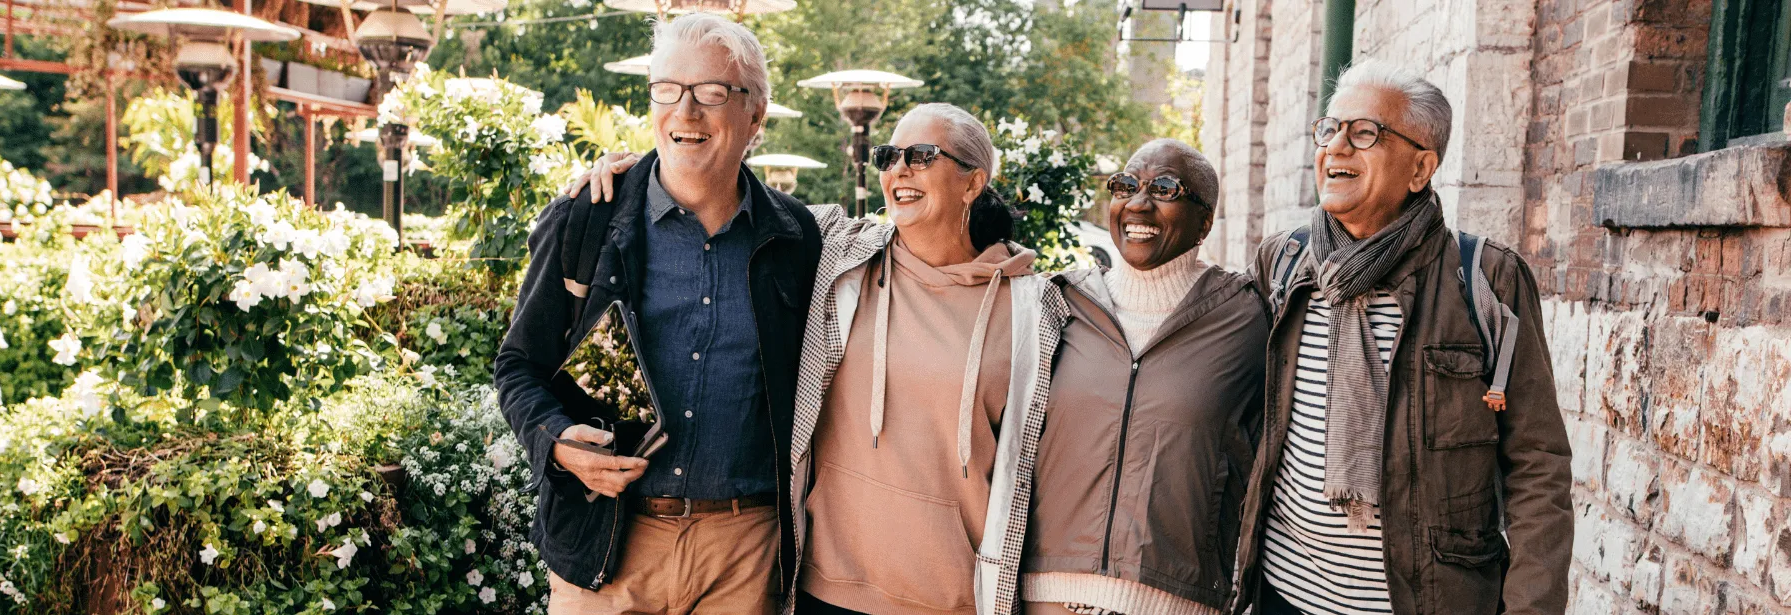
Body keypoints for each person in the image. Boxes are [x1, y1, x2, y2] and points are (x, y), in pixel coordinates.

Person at [568, 103, 1065, 615]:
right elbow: (733, 195)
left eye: (922, 155)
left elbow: (1044, 470)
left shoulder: (1030, 311)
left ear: (973, 181)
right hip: (824, 589)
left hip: (952, 598)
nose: (900, 169)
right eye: (889, 156)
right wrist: (636, 175)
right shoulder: (839, 254)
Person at [492, 13, 821, 615]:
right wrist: (560, 441)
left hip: (743, 554)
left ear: (756, 115)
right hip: (607, 545)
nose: (685, 112)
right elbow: (518, 366)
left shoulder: (798, 237)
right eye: (667, 89)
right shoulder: (586, 218)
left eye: (712, 93)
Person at [1232, 60, 1573, 615]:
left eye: (1365, 133)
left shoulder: (1485, 278)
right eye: (1329, 129)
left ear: (1420, 168)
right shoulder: (1284, 263)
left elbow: (1537, 464)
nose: (1337, 148)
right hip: (1284, 598)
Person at [1020, 139, 1267, 615]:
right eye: (1126, 185)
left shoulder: (1247, 316)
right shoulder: (1061, 302)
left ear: (1206, 221)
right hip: (1049, 597)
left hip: (1176, 601)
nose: (1137, 202)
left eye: (1166, 189)